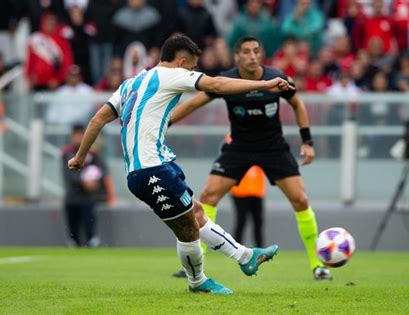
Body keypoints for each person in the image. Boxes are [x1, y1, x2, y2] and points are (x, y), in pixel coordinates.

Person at [67, 35, 291, 294]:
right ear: (182, 62)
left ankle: (246, 257)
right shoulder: (170, 75)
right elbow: (216, 84)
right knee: (187, 229)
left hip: (156, 166)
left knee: (196, 213)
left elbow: (97, 120)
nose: (193, 72)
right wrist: (264, 84)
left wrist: (80, 157)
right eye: (193, 67)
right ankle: (198, 282)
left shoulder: (131, 84)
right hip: (151, 171)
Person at [170, 36, 332, 280]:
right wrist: (165, 122)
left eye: (257, 51)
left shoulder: (276, 77)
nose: (253, 56)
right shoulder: (226, 80)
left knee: (300, 199)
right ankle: (194, 264)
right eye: (246, 52)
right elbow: (193, 104)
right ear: (237, 57)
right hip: (240, 147)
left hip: (273, 147)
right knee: (208, 196)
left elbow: (297, 104)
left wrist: (307, 142)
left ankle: (318, 265)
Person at [62, 125, 114, 248]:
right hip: (72, 196)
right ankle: (74, 243)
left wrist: (96, 182)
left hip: (88, 197)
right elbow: (68, 174)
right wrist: (84, 182)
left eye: (81, 135)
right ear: (72, 137)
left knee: (89, 222)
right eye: (77, 135)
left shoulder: (92, 154)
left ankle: (91, 241)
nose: (79, 139)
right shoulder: (67, 153)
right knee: (73, 225)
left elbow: (102, 171)